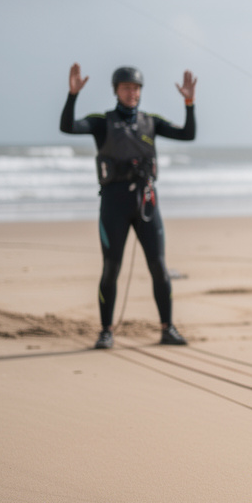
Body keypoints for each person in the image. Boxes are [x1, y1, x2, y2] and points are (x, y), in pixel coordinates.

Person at [61, 63, 197, 349]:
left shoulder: (151, 122)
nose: (132, 92)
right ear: (116, 91)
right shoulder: (102, 122)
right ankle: (106, 331)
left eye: (136, 88)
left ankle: (167, 328)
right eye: (126, 88)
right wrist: (72, 95)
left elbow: (188, 134)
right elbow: (68, 127)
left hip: (147, 203)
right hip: (114, 204)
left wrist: (189, 103)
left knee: (159, 267)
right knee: (111, 268)